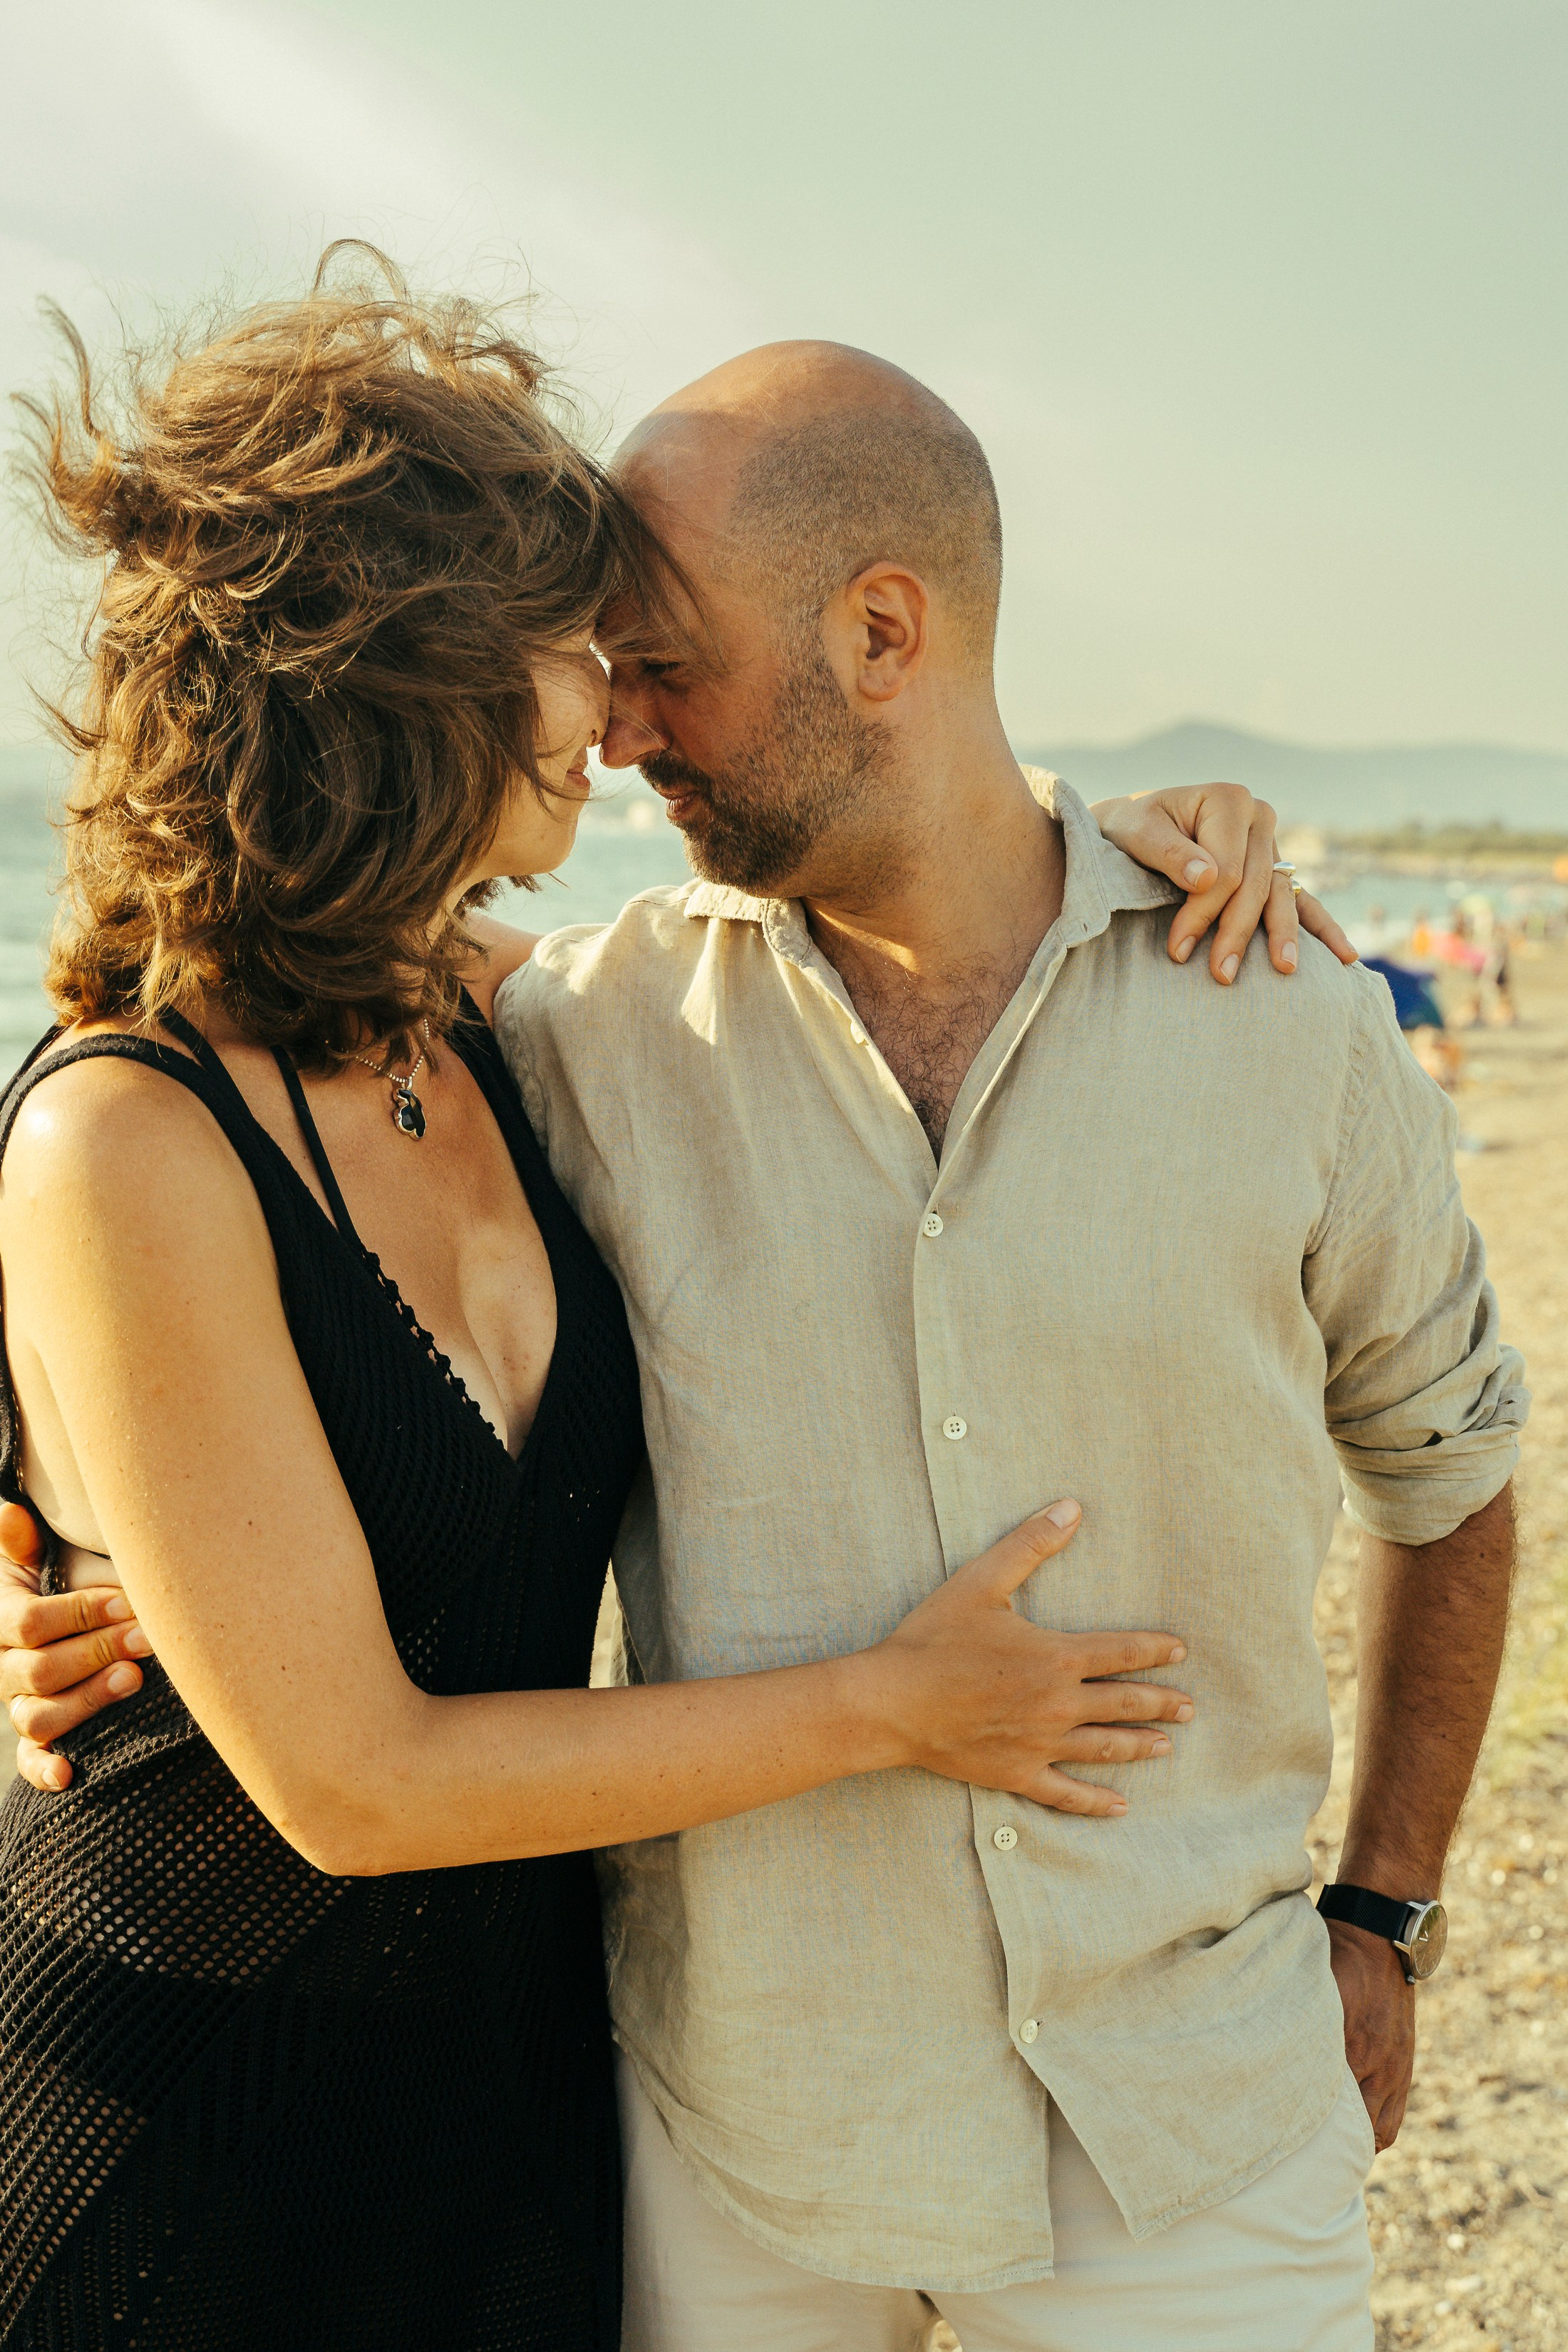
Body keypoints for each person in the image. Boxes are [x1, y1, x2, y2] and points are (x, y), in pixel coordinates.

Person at [0, 277, 1269, 2352]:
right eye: (571, 643)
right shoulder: (131, 1136)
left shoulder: (504, 1027)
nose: (616, 699)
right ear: (401, 667)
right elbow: (357, 1783)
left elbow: (916, 893)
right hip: (184, 2121)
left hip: (518, 2112)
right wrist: (899, 1703)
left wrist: (1144, 849)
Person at [485, 344, 1519, 2348]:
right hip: (749, 2131)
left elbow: (1452, 1471)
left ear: (886, 630)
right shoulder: (586, 1040)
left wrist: (1385, 1908)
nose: (614, 735)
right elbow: (241, 1062)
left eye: (663, 665)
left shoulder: (1286, 1012)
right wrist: (93, 1565)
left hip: (1195, 2119)